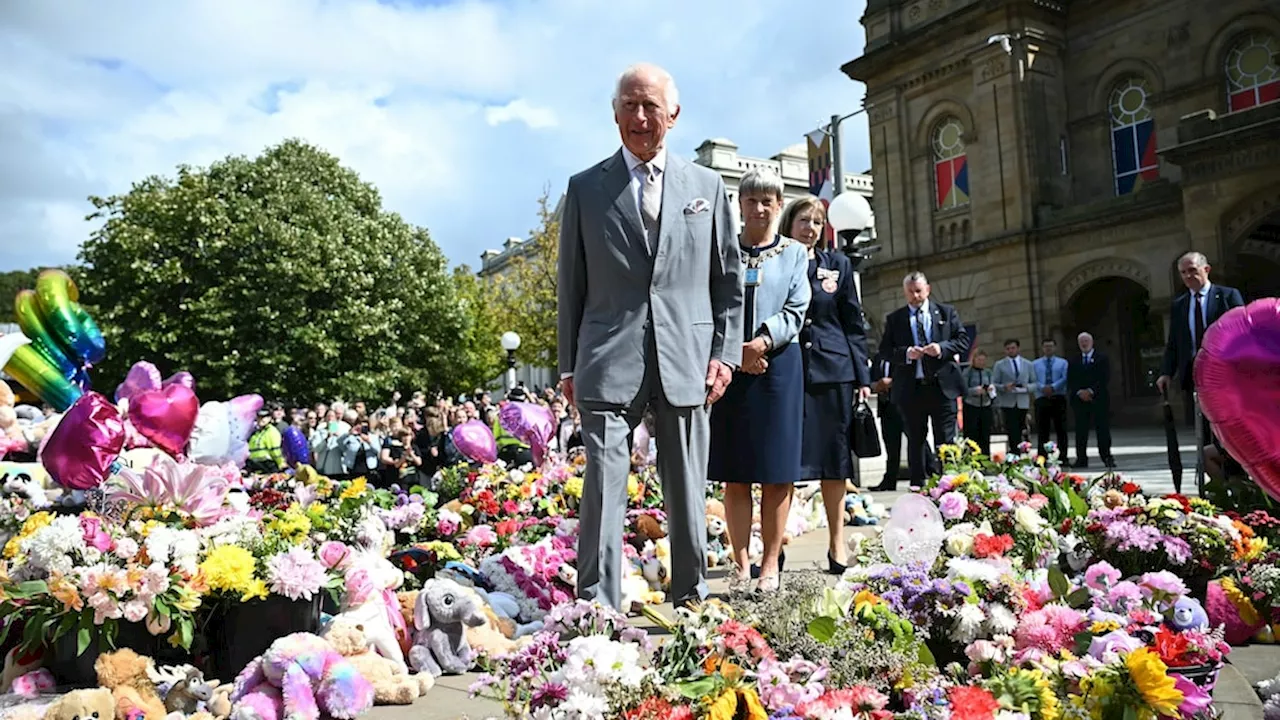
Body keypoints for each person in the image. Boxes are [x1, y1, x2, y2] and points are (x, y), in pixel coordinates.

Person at [557, 62, 743, 610]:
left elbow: (727, 281)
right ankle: (598, 607)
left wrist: (725, 355)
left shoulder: (707, 187)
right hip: (607, 359)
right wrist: (569, 366)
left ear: (673, 115)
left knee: (687, 487)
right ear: (615, 114)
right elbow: (573, 285)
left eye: (650, 107)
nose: (640, 117)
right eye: (629, 106)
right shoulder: (586, 189)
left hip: (686, 357)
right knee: (603, 486)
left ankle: (691, 599)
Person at [708, 169, 810, 593]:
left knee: (775, 472)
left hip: (777, 369)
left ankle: (770, 563)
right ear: (740, 205)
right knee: (735, 473)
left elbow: (797, 307)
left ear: (779, 203)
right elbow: (712, 305)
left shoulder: (795, 253)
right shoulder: (723, 251)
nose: (760, 208)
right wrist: (736, 352)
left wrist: (762, 342)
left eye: (768, 200)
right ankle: (740, 562)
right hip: (729, 370)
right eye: (752, 200)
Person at [781, 195, 871, 575]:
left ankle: (836, 545)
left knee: (834, 464)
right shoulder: (774, 260)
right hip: (787, 372)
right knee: (782, 463)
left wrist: (863, 378)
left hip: (834, 371)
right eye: (804, 220)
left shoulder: (839, 264)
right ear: (789, 224)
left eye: (817, 222)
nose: (811, 228)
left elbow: (853, 322)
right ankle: (776, 545)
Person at [881, 272, 969, 488]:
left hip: (942, 386)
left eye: (918, 291)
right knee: (916, 438)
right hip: (912, 388)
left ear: (927, 289)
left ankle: (949, 482)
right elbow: (885, 350)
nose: (915, 296)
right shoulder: (896, 319)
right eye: (910, 292)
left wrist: (941, 348)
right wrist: (906, 353)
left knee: (946, 439)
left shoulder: (946, 313)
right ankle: (918, 483)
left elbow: (962, 340)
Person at [1156, 251, 1244, 433]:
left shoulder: (1228, 296)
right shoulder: (1179, 305)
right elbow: (1174, 343)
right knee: (1201, 427)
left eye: (1192, 270)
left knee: (1227, 427)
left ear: (1206, 269)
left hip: (1224, 373)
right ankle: (1204, 460)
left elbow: (1242, 334)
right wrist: (1166, 373)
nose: (1188, 276)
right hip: (1194, 376)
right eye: (1183, 272)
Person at [1067, 332, 1113, 468]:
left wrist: (1091, 391)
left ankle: (1107, 457)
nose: (1084, 343)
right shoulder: (1074, 360)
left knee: (1102, 429)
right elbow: (1071, 380)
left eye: (1086, 341)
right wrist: (1080, 392)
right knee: (1081, 430)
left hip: (1099, 399)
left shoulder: (1102, 358)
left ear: (1092, 342)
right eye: (1081, 341)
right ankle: (1081, 458)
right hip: (1080, 400)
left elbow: (1105, 378)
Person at [1032, 338, 1069, 459]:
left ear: (1055, 348)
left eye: (1051, 346)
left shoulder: (1063, 363)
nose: (1048, 348)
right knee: (1043, 430)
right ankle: (1042, 457)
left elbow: (1065, 378)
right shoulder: (1035, 364)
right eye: (1046, 346)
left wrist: (1053, 387)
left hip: (1058, 397)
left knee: (1061, 429)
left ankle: (1063, 456)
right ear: (1042, 348)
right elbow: (1033, 379)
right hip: (1041, 398)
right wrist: (1043, 387)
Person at [992, 339, 1034, 445]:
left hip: (1022, 401)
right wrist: (1004, 387)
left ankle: (1022, 449)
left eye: (1013, 348)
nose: (1011, 351)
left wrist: (1027, 387)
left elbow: (1035, 383)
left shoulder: (1028, 364)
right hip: (1007, 401)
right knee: (1012, 429)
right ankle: (1014, 453)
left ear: (1018, 349)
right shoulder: (999, 365)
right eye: (1008, 349)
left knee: (1022, 428)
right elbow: (994, 384)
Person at [962, 349, 995, 456]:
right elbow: (963, 389)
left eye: (983, 360)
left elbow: (993, 387)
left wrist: (990, 390)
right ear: (974, 360)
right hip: (971, 406)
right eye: (979, 360)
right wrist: (975, 391)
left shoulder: (988, 372)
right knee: (972, 434)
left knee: (985, 434)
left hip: (985, 405)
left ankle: (985, 457)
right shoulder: (967, 372)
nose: (981, 362)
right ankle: (971, 458)